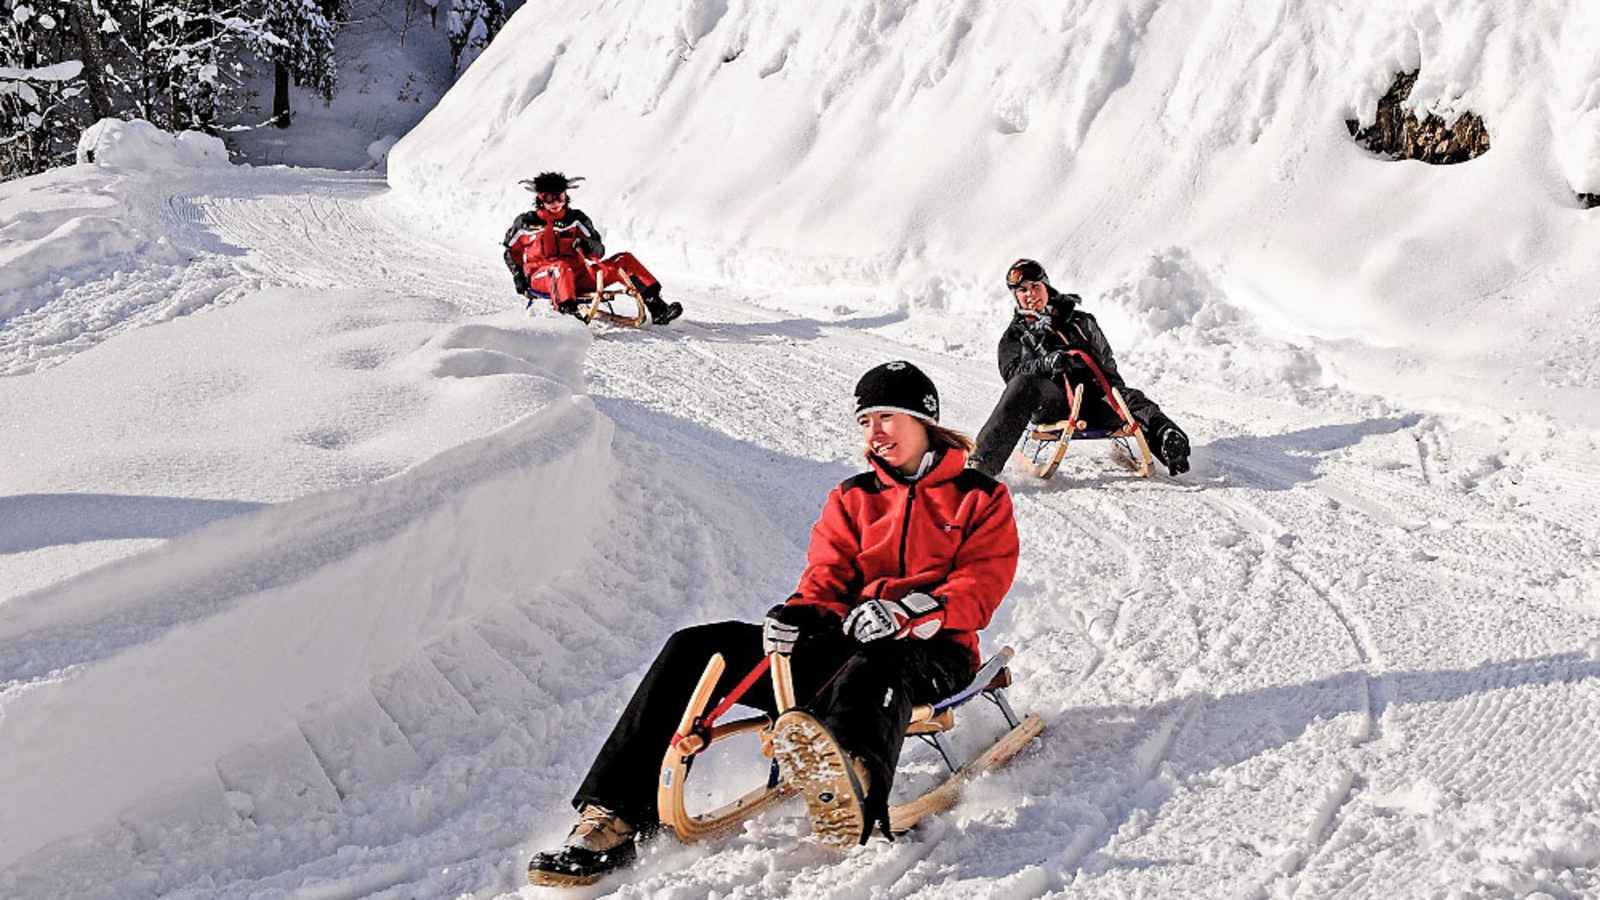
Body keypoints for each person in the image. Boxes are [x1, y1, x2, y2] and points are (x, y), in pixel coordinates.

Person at [528, 361, 1019, 886]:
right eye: (865, 421)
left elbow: (982, 583)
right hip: (843, 646)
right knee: (695, 646)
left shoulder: (980, 496)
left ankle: (851, 775)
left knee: (880, 660)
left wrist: (911, 612)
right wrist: (798, 614)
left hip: (932, 651)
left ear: (925, 420)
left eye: (888, 417)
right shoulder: (853, 497)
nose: (875, 432)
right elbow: (826, 576)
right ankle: (613, 814)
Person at [969, 258, 1191, 478]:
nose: (1030, 294)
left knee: (1129, 398)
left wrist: (1114, 394)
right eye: (1022, 290)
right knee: (1023, 384)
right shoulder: (1014, 336)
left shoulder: (1082, 322)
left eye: (1035, 286)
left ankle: (1168, 440)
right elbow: (1012, 375)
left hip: (1096, 399)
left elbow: (1106, 361)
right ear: (1015, 296)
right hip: (1054, 403)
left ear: (1046, 286)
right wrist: (1045, 364)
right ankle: (982, 465)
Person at [501, 171, 684, 325]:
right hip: (542, 277)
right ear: (540, 198)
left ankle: (657, 306)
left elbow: (598, 250)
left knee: (624, 260)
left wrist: (587, 245)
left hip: (578, 276)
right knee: (559, 267)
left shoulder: (575, 219)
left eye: (560, 196)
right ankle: (568, 315)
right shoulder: (526, 222)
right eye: (549, 198)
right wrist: (519, 278)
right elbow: (511, 251)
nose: (555, 202)